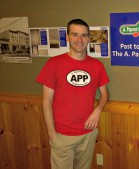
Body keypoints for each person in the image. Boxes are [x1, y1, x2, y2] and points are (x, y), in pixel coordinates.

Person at [36, 19, 109, 169]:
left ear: (89, 38)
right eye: (75, 34)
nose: (79, 40)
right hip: (61, 136)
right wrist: (52, 134)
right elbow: (46, 101)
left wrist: (97, 110)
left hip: (88, 134)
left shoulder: (97, 66)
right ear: (67, 37)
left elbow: (105, 94)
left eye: (84, 35)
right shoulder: (53, 64)